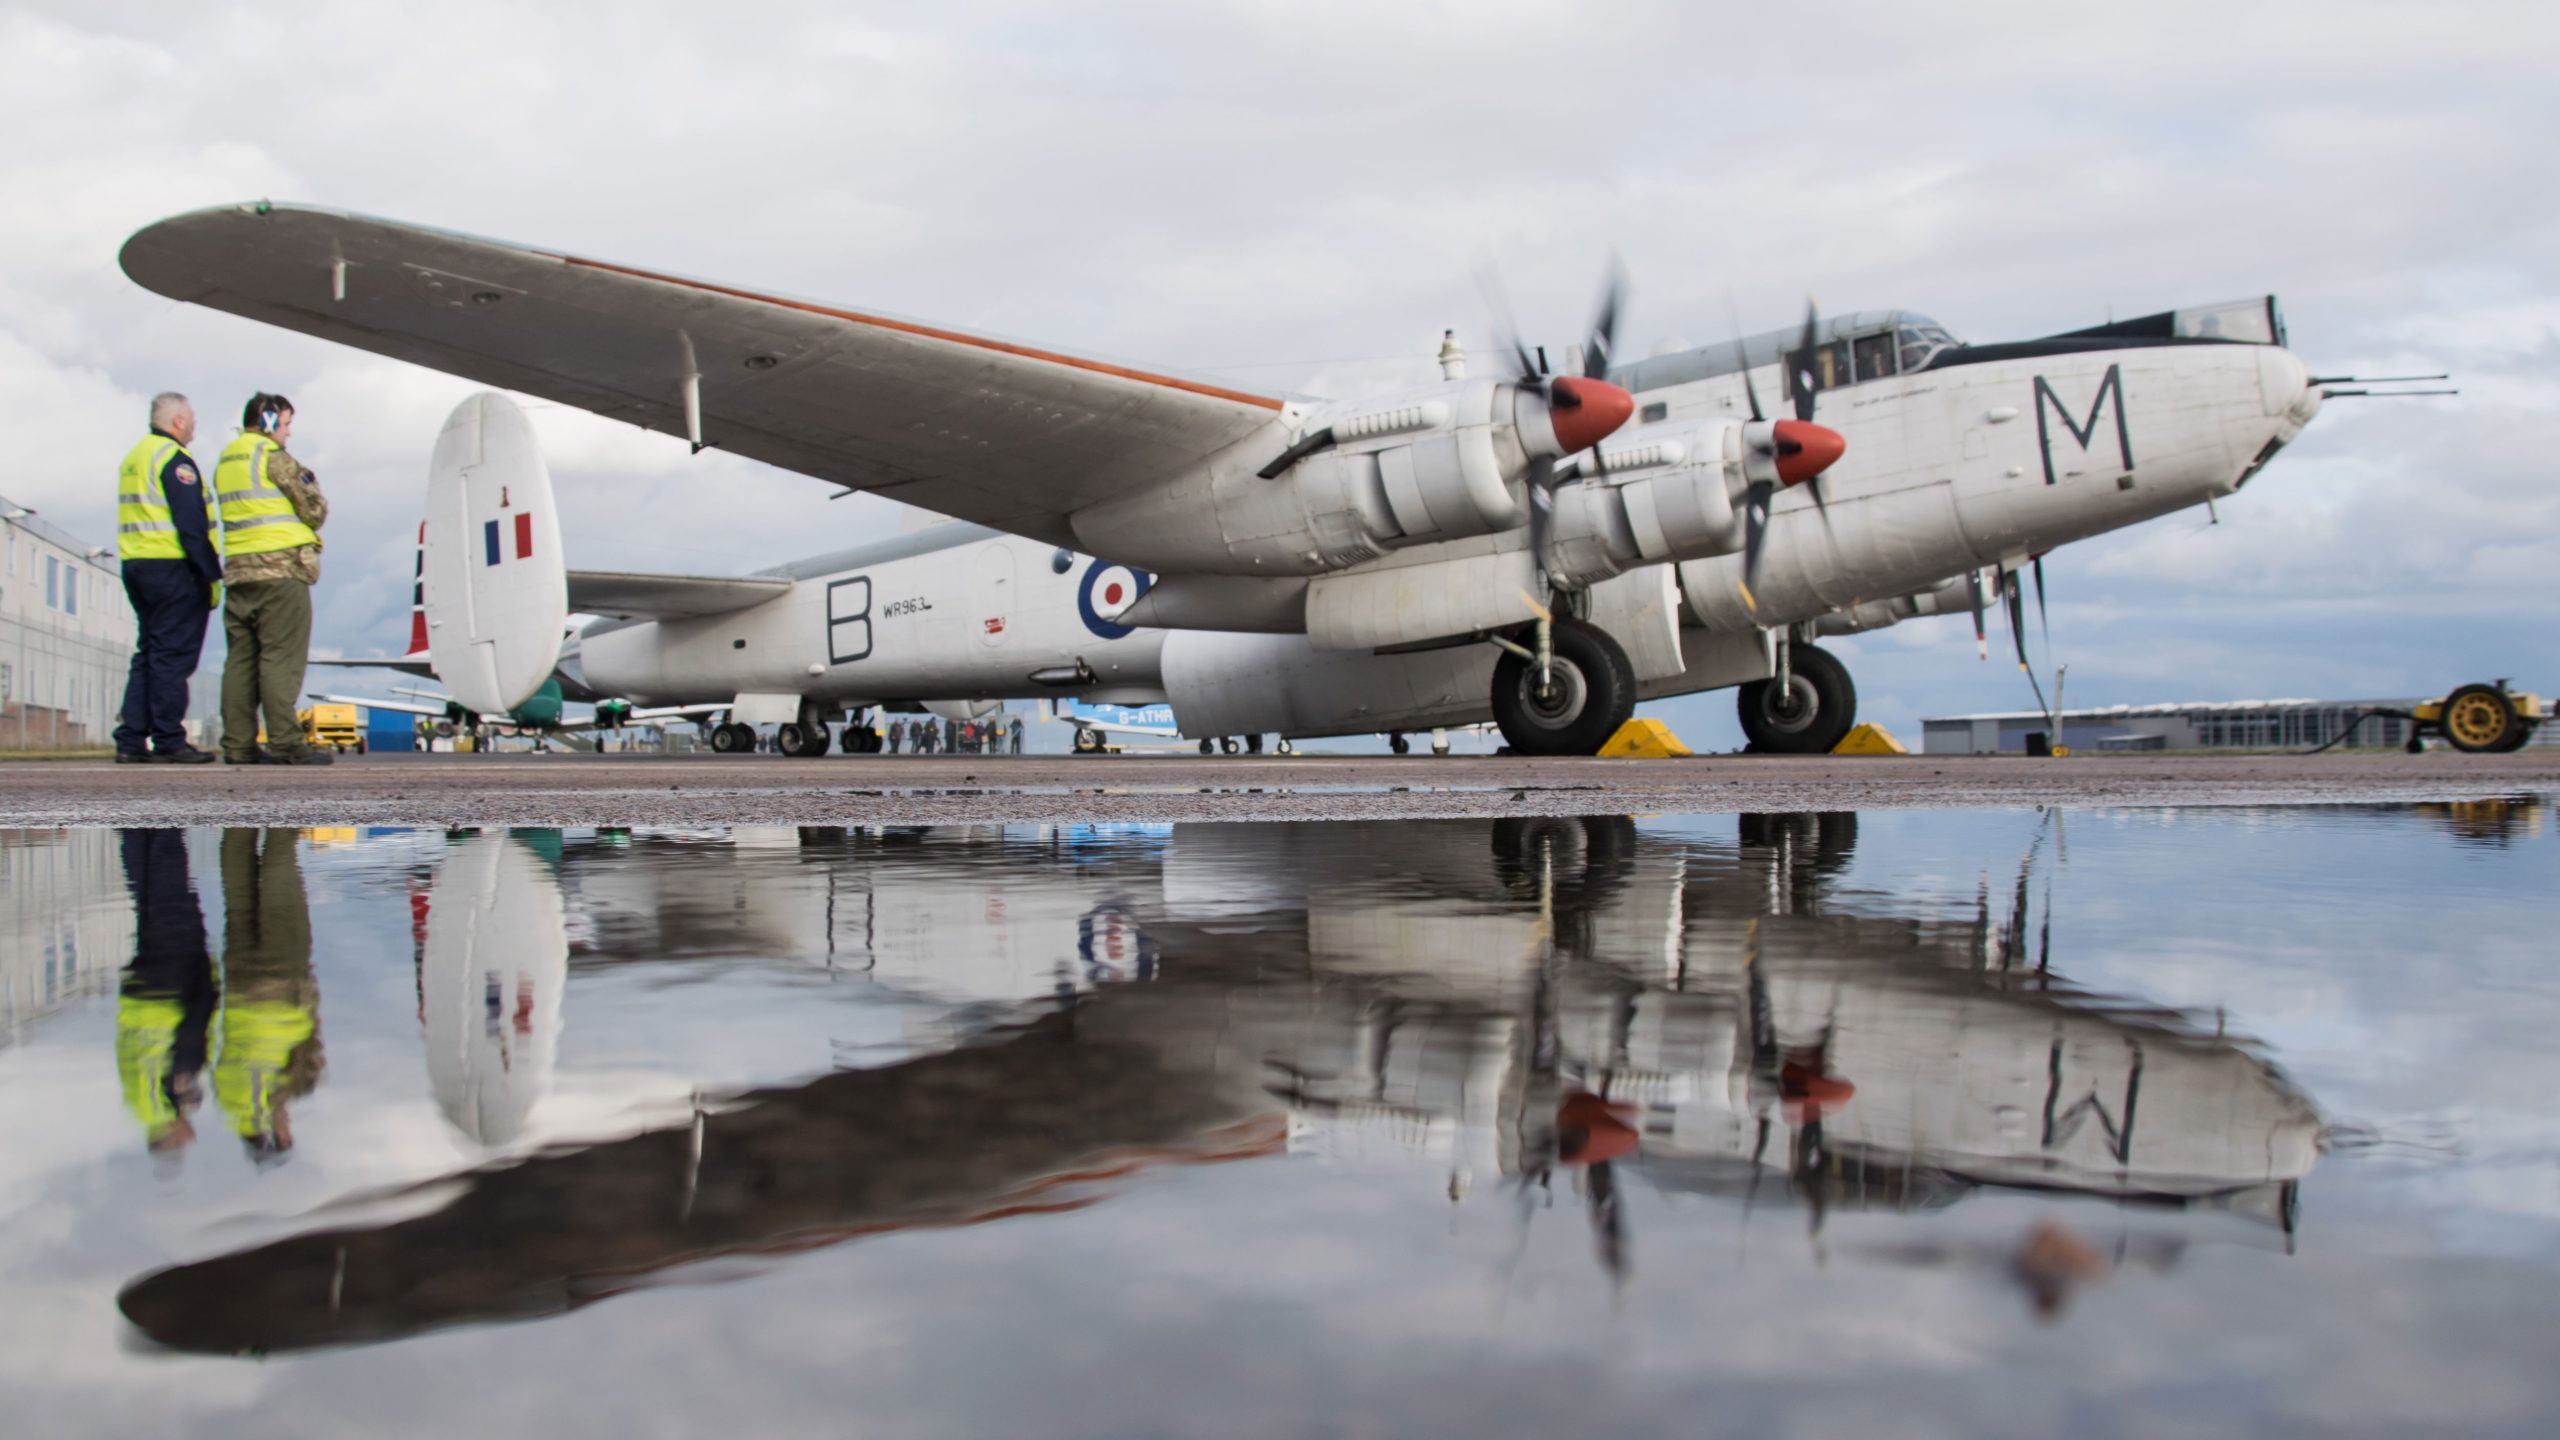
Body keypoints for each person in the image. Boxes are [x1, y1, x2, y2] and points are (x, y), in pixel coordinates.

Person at [216, 394, 330, 765]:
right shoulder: (273, 457)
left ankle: (238, 744)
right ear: (267, 422)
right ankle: (285, 741)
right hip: (280, 572)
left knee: (240, 662)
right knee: (280, 659)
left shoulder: (228, 459)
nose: (289, 431)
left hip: (238, 572)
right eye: (285, 423)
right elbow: (313, 509)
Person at [112, 393, 222, 763]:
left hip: (136, 564)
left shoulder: (135, 456)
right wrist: (210, 574)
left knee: (149, 653)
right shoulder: (175, 461)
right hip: (173, 567)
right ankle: (169, 739)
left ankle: (131, 740)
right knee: (171, 657)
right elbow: (191, 524)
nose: (193, 426)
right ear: (177, 422)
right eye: (190, 419)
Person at [215, 828, 324, 1163]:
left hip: (282, 991)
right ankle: (237, 812)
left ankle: (285, 811)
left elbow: (305, 1059)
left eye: (287, 1133)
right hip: (238, 985)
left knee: (280, 882)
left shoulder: (272, 1100)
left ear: (275, 1136)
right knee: (239, 893)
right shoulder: (226, 1100)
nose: (288, 1124)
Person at [114, 830, 218, 1159]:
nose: (191, 1136)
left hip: (170, 993)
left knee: (173, 902)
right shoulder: (138, 1103)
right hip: (139, 994)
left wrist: (208, 991)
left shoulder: (172, 1099)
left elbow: (188, 1042)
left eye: (184, 1142)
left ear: (171, 1138)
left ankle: (163, 826)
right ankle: (134, 829)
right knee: (146, 903)